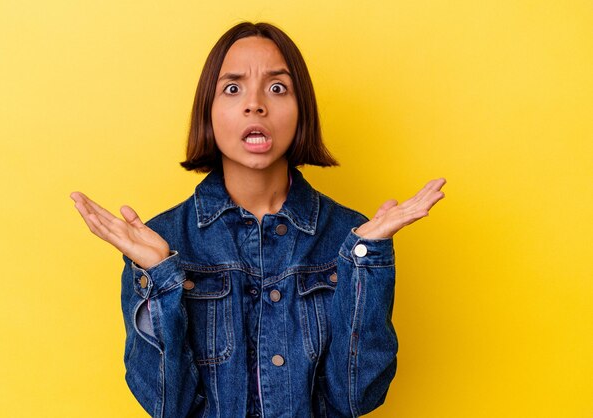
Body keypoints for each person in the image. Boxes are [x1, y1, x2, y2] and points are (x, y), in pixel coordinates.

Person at [71, 21, 445, 418]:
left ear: (302, 111)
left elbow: (357, 398)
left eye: (277, 87)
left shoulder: (349, 237)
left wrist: (366, 263)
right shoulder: (160, 241)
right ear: (208, 113)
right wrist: (159, 277)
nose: (256, 104)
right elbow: (168, 405)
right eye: (233, 88)